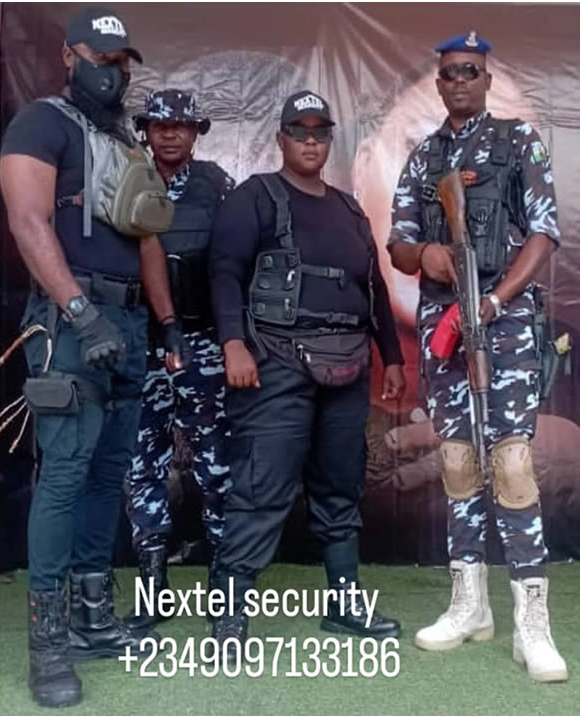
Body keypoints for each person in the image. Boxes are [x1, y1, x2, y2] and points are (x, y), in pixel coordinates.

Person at [0, 7, 183, 708]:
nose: (112, 73)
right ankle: (47, 646)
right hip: (69, 324)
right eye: (101, 60)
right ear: (69, 56)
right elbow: (27, 221)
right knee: (64, 476)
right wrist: (79, 312)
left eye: (121, 63)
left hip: (128, 321)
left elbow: (147, 238)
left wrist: (166, 324)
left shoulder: (123, 138)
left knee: (108, 475)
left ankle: (92, 620)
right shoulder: (40, 123)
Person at [387, 31, 568, 682]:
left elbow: (544, 233)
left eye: (470, 70)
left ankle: (532, 623)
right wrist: (427, 256)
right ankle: (470, 605)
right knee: (458, 459)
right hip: (444, 321)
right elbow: (398, 244)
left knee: (511, 461)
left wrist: (493, 301)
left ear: (486, 79)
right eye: (449, 72)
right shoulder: (424, 156)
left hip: (505, 320)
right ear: (438, 83)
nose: (459, 80)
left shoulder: (518, 143)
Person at [209, 90, 406, 654]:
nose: (311, 141)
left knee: (341, 487)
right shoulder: (254, 198)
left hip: (348, 365)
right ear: (282, 138)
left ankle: (345, 605)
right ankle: (229, 616)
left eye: (321, 132)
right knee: (260, 488)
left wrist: (392, 356)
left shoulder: (349, 210)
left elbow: (374, 288)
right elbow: (224, 273)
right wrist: (233, 344)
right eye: (300, 131)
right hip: (274, 362)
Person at [124, 89, 234, 626]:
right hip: (141, 345)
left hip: (202, 344)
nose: (170, 133)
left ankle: (224, 587)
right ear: (146, 131)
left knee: (217, 466)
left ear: (195, 133)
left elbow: (235, 263)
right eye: (160, 125)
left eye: (181, 125)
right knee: (142, 466)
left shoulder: (217, 186)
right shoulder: (126, 180)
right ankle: (153, 591)